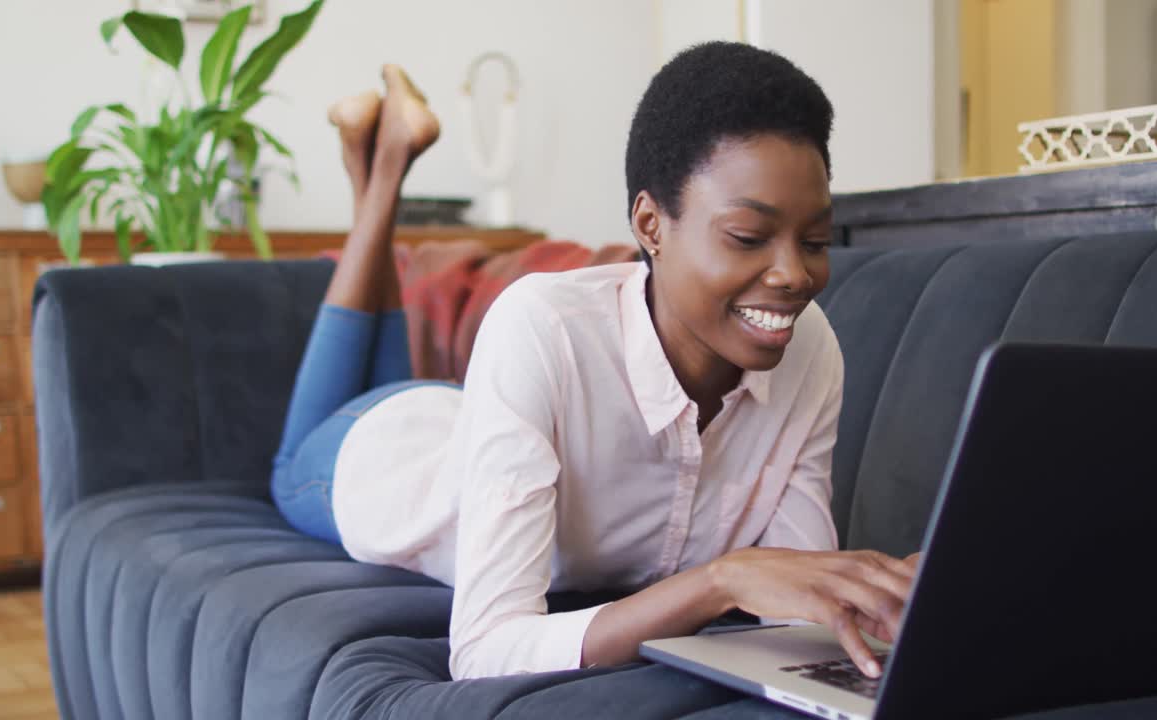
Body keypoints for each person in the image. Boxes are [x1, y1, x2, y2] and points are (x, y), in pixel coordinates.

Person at [271, 42, 917, 683]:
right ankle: (381, 177)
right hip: (383, 454)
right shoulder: (544, 324)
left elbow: (800, 605)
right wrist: (719, 582)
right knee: (289, 461)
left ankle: (377, 155)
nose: (793, 275)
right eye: (748, 238)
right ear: (650, 224)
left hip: (469, 418)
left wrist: (896, 600)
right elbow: (483, 652)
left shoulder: (809, 350)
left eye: (814, 241)